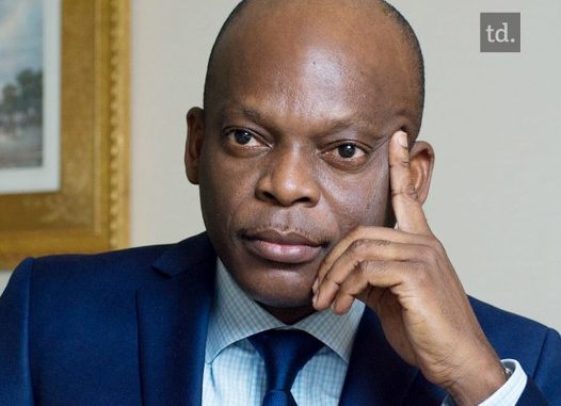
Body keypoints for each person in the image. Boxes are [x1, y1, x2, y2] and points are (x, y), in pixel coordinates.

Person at [1, 0, 560, 405]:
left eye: (344, 150)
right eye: (246, 137)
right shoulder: (46, 315)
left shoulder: (515, 364)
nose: (287, 185)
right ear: (196, 146)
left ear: (410, 177)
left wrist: (475, 383)